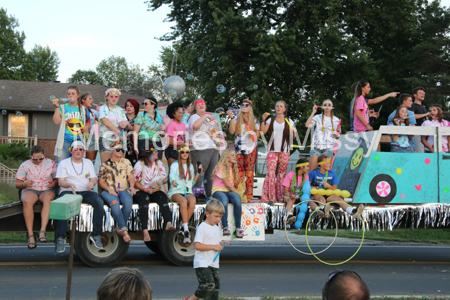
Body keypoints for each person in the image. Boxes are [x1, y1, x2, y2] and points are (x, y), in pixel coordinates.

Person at [55, 141, 105, 253]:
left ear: (83, 151)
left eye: (80, 149)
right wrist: (69, 185)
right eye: (75, 149)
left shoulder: (88, 163)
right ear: (71, 150)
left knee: (99, 202)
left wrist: (92, 183)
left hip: (85, 191)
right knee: (62, 205)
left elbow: (93, 178)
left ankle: (96, 234)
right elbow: (61, 182)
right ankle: (61, 238)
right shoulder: (64, 163)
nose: (78, 151)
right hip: (68, 191)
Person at [185, 199, 230, 300]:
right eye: (216, 216)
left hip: (213, 262)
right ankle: (192, 299)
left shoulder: (215, 227)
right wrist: (214, 247)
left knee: (216, 288)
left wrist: (222, 244)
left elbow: (215, 242)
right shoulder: (203, 227)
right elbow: (197, 245)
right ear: (207, 214)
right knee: (208, 286)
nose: (218, 219)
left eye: (220, 217)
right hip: (203, 263)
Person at [15, 145, 57, 249]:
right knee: (27, 201)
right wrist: (25, 183)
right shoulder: (25, 165)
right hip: (30, 189)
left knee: (48, 199)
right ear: (31, 157)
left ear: (44, 156)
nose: (38, 161)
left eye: (40, 158)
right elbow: (17, 184)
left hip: (46, 189)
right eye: (35, 158)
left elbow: (56, 178)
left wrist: (54, 183)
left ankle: (42, 230)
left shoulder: (50, 163)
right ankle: (30, 235)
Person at [133, 147, 175, 242]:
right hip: (141, 189)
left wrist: (159, 182)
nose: (157, 154)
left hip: (154, 190)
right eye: (155, 152)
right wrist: (145, 189)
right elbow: (134, 182)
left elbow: (164, 179)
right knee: (145, 201)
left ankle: (168, 222)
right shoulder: (140, 164)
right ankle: (145, 231)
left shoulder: (159, 163)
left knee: (163, 197)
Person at [98, 141, 136, 243]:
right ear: (112, 150)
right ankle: (124, 230)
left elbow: (131, 176)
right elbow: (101, 182)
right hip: (108, 189)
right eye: (118, 150)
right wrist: (109, 189)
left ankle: (120, 226)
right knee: (114, 202)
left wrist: (132, 186)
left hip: (123, 189)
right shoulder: (105, 165)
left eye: (122, 150)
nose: (120, 152)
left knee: (128, 202)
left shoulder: (126, 162)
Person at [260, 100, 296, 202]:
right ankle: (270, 197)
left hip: (285, 150)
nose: (279, 108)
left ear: (284, 109)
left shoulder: (289, 121)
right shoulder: (270, 120)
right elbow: (263, 132)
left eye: (281, 106)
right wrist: (263, 120)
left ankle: (280, 197)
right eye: (277, 106)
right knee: (271, 173)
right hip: (272, 150)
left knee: (281, 174)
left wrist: (293, 131)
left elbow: (293, 136)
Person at [188, 99, 222, 201]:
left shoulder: (208, 119)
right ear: (195, 107)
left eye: (203, 104)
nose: (201, 105)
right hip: (200, 148)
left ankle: (209, 196)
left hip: (213, 148)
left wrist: (218, 138)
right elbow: (195, 126)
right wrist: (205, 116)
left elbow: (212, 132)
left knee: (211, 174)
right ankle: (197, 196)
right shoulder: (194, 117)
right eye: (199, 104)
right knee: (199, 172)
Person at [227, 99, 260, 200]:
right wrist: (232, 118)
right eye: (242, 104)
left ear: (250, 107)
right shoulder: (237, 119)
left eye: (247, 105)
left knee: (249, 173)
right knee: (238, 172)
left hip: (251, 149)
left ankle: (249, 196)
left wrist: (251, 132)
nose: (244, 106)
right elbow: (232, 131)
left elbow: (257, 136)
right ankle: (238, 194)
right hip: (239, 149)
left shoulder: (255, 121)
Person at [169, 147, 203, 243]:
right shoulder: (174, 165)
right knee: (183, 201)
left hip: (187, 191)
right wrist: (174, 181)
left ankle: (183, 226)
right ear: (179, 154)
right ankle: (186, 229)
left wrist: (198, 173)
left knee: (192, 200)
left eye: (187, 152)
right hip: (175, 190)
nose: (185, 154)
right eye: (182, 152)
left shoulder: (190, 166)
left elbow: (191, 183)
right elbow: (171, 177)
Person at [52, 85, 91, 162]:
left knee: (77, 167)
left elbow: (88, 124)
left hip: (79, 143)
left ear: (78, 95)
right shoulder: (63, 108)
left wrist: (87, 127)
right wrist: (57, 107)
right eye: (69, 94)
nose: (70, 95)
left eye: (73, 93)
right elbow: (56, 121)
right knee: (61, 167)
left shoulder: (84, 110)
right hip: (64, 143)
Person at [211, 149, 243, 238]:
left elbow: (232, 184)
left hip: (228, 191)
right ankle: (225, 226)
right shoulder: (221, 167)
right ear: (226, 156)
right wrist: (236, 192)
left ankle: (238, 228)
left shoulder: (232, 168)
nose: (235, 157)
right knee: (224, 200)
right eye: (232, 155)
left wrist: (239, 181)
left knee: (237, 199)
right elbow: (228, 184)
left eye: (235, 155)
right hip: (218, 190)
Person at [306, 99, 341, 170]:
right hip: (316, 147)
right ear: (322, 107)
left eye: (329, 105)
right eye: (325, 105)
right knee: (312, 171)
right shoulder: (317, 117)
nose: (327, 106)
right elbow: (307, 125)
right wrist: (313, 112)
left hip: (328, 148)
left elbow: (336, 137)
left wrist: (338, 132)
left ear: (332, 107)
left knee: (326, 171)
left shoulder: (336, 120)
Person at [99, 88, 129, 163]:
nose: (114, 99)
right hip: (107, 138)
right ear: (107, 97)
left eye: (116, 96)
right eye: (111, 96)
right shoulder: (103, 108)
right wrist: (117, 132)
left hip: (120, 139)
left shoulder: (120, 109)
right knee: (107, 165)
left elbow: (126, 120)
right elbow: (107, 123)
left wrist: (124, 124)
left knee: (120, 165)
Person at [281, 158, 310, 226]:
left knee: (307, 199)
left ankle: (319, 210)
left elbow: (305, 190)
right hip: (288, 194)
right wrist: (290, 195)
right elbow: (285, 190)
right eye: (307, 166)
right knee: (291, 199)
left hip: (300, 195)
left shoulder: (306, 176)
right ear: (301, 167)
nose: (308, 168)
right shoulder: (290, 175)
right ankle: (289, 215)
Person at [165, 102, 190, 169]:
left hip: (181, 150)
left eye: (182, 113)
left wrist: (187, 143)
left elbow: (183, 138)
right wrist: (184, 143)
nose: (181, 115)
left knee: (181, 171)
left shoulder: (183, 125)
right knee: (173, 172)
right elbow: (170, 142)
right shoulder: (171, 125)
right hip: (172, 151)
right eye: (179, 113)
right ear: (173, 114)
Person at [409, 87, 430, 153]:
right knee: (419, 151)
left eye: (423, 93)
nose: (423, 94)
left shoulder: (423, 107)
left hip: (424, 132)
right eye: (420, 93)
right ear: (415, 95)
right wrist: (425, 114)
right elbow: (412, 116)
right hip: (416, 131)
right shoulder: (412, 105)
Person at [81, 93, 99, 162]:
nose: (92, 101)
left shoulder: (93, 112)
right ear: (83, 100)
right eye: (90, 99)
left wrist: (103, 108)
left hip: (92, 139)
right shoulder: (78, 110)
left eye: (92, 99)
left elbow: (102, 119)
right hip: (81, 138)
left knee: (91, 162)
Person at [124, 98, 140, 165]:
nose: (129, 108)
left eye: (131, 106)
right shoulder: (122, 117)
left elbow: (136, 129)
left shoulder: (138, 119)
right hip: (123, 145)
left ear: (135, 107)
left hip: (135, 146)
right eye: (127, 106)